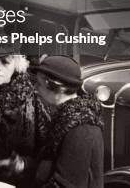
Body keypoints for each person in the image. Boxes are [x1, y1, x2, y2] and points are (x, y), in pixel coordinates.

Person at [0, 53, 50, 187]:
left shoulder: (32, 99)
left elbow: (49, 151)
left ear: (17, 66)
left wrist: (24, 164)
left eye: (5, 62)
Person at [26, 56, 104, 187]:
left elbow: (65, 184)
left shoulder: (81, 129)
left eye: (39, 84)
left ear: (57, 87)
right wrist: (24, 165)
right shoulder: (67, 117)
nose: (34, 89)